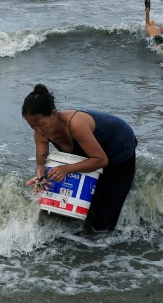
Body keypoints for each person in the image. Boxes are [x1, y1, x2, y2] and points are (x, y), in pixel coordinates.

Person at [22, 84, 137, 233]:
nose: (38, 130)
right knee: (83, 211)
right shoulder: (41, 133)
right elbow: (40, 164)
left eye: (41, 124)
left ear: (54, 114)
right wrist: (40, 178)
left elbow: (101, 160)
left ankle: (106, 248)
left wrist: (66, 169)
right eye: (33, 126)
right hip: (92, 153)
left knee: (104, 219)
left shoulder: (75, 124)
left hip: (119, 148)